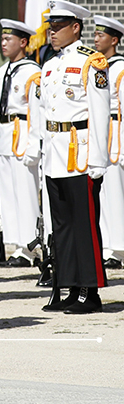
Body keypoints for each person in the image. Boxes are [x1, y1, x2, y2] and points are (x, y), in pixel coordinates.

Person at [26, 0, 110, 313]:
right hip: (55, 152)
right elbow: (41, 112)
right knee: (61, 224)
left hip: (81, 152)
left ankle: (90, 290)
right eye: (51, 26)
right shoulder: (48, 65)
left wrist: (98, 158)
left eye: (59, 26)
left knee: (84, 223)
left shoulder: (93, 61)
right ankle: (69, 286)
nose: (52, 32)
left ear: (76, 27)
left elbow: (100, 114)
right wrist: (37, 146)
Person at [0, 19, 42, 267]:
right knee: (8, 194)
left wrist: (34, 145)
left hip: (22, 134)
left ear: (23, 42)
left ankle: (31, 246)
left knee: (26, 193)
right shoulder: (2, 71)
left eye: (8, 39)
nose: (3, 43)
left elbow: (36, 111)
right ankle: (17, 245)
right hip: (4, 136)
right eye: (2, 39)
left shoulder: (32, 72)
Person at [91, 16, 124, 267]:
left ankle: (119, 248)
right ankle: (108, 245)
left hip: (117, 130)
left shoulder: (120, 67)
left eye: (100, 35)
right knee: (105, 191)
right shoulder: (96, 66)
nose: (95, 39)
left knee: (117, 190)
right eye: (94, 35)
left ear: (114, 40)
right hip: (101, 130)